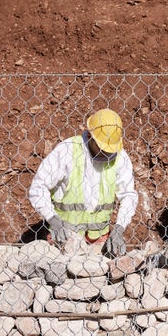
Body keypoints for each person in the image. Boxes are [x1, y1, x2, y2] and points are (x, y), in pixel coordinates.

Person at [28, 108, 138, 257]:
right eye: (103, 147)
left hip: (99, 241)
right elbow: (38, 187)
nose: (107, 153)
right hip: (65, 239)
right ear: (91, 136)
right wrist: (53, 220)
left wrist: (119, 228)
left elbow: (128, 195)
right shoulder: (68, 151)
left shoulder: (120, 157)